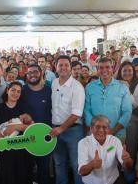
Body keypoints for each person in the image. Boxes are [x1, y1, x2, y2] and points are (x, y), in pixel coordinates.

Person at [0, 81, 34, 184]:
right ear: (7, 91)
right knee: (7, 176)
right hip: (6, 150)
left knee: (23, 177)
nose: (16, 93)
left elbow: (32, 127)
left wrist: (16, 127)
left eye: (18, 91)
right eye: (13, 90)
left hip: (23, 149)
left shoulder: (24, 107)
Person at [50, 55, 85, 184]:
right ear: (56, 67)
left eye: (66, 65)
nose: (63, 67)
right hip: (55, 130)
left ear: (70, 67)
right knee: (59, 164)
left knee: (77, 165)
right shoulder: (54, 83)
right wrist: (57, 129)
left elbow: (77, 113)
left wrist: (61, 128)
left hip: (73, 131)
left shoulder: (77, 87)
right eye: (61, 65)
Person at [84, 57, 132, 140]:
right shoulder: (89, 87)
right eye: (101, 68)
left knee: (116, 153)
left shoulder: (122, 87)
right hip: (95, 133)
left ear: (112, 68)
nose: (104, 70)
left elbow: (127, 112)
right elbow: (86, 110)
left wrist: (113, 131)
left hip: (117, 134)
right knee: (96, 153)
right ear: (97, 69)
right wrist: (96, 129)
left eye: (107, 67)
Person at [78, 115, 133, 184]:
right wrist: (92, 165)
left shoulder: (115, 141)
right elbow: (81, 172)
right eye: (97, 127)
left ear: (109, 129)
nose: (101, 130)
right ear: (91, 128)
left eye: (104, 127)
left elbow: (127, 166)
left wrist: (127, 160)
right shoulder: (83, 143)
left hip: (113, 181)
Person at [21, 64, 52, 184]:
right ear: (26, 75)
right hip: (26, 136)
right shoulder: (22, 91)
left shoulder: (49, 91)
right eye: (29, 73)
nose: (32, 75)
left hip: (45, 136)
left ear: (41, 73)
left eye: (35, 72)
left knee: (43, 170)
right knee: (26, 169)